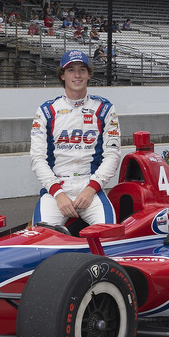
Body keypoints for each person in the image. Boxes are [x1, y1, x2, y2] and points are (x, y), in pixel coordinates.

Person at [30, 50, 121, 226]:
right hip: (56, 192)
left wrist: (90, 190)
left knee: (109, 238)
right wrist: (58, 194)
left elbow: (113, 155)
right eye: (71, 70)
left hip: (91, 190)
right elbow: (37, 158)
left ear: (89, 75)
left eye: (82, 70)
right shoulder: (46, 111)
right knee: (40, 245)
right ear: (62, 75)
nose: (77, 75)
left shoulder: (105, 109)